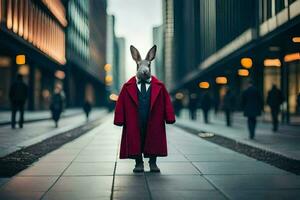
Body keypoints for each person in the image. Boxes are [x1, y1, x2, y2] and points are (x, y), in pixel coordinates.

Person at [114, 45, 175, 173]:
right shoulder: (127, 87)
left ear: (150, 64)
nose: (144, 69)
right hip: (135, 120)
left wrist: (169, 117)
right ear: (136, 65)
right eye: (140, 65)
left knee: (153, 138)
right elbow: (121, 103)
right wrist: (119, 119)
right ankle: (138, 162)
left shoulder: (160, 86)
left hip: (154, 119)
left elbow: (166, 102)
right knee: (136, 139)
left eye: (147, 65)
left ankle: (153, 162)